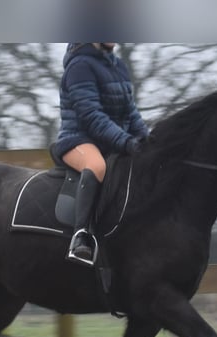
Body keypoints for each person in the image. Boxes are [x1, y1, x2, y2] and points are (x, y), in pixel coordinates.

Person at [52, 43, 149, 266]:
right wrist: (126, 141)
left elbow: (130, 111)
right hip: (78, 139)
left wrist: (147, 140)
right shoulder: (79, 67)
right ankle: (81, 236)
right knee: (97, 166)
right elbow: (90, 115)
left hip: (112, 140)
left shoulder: (119, 66)